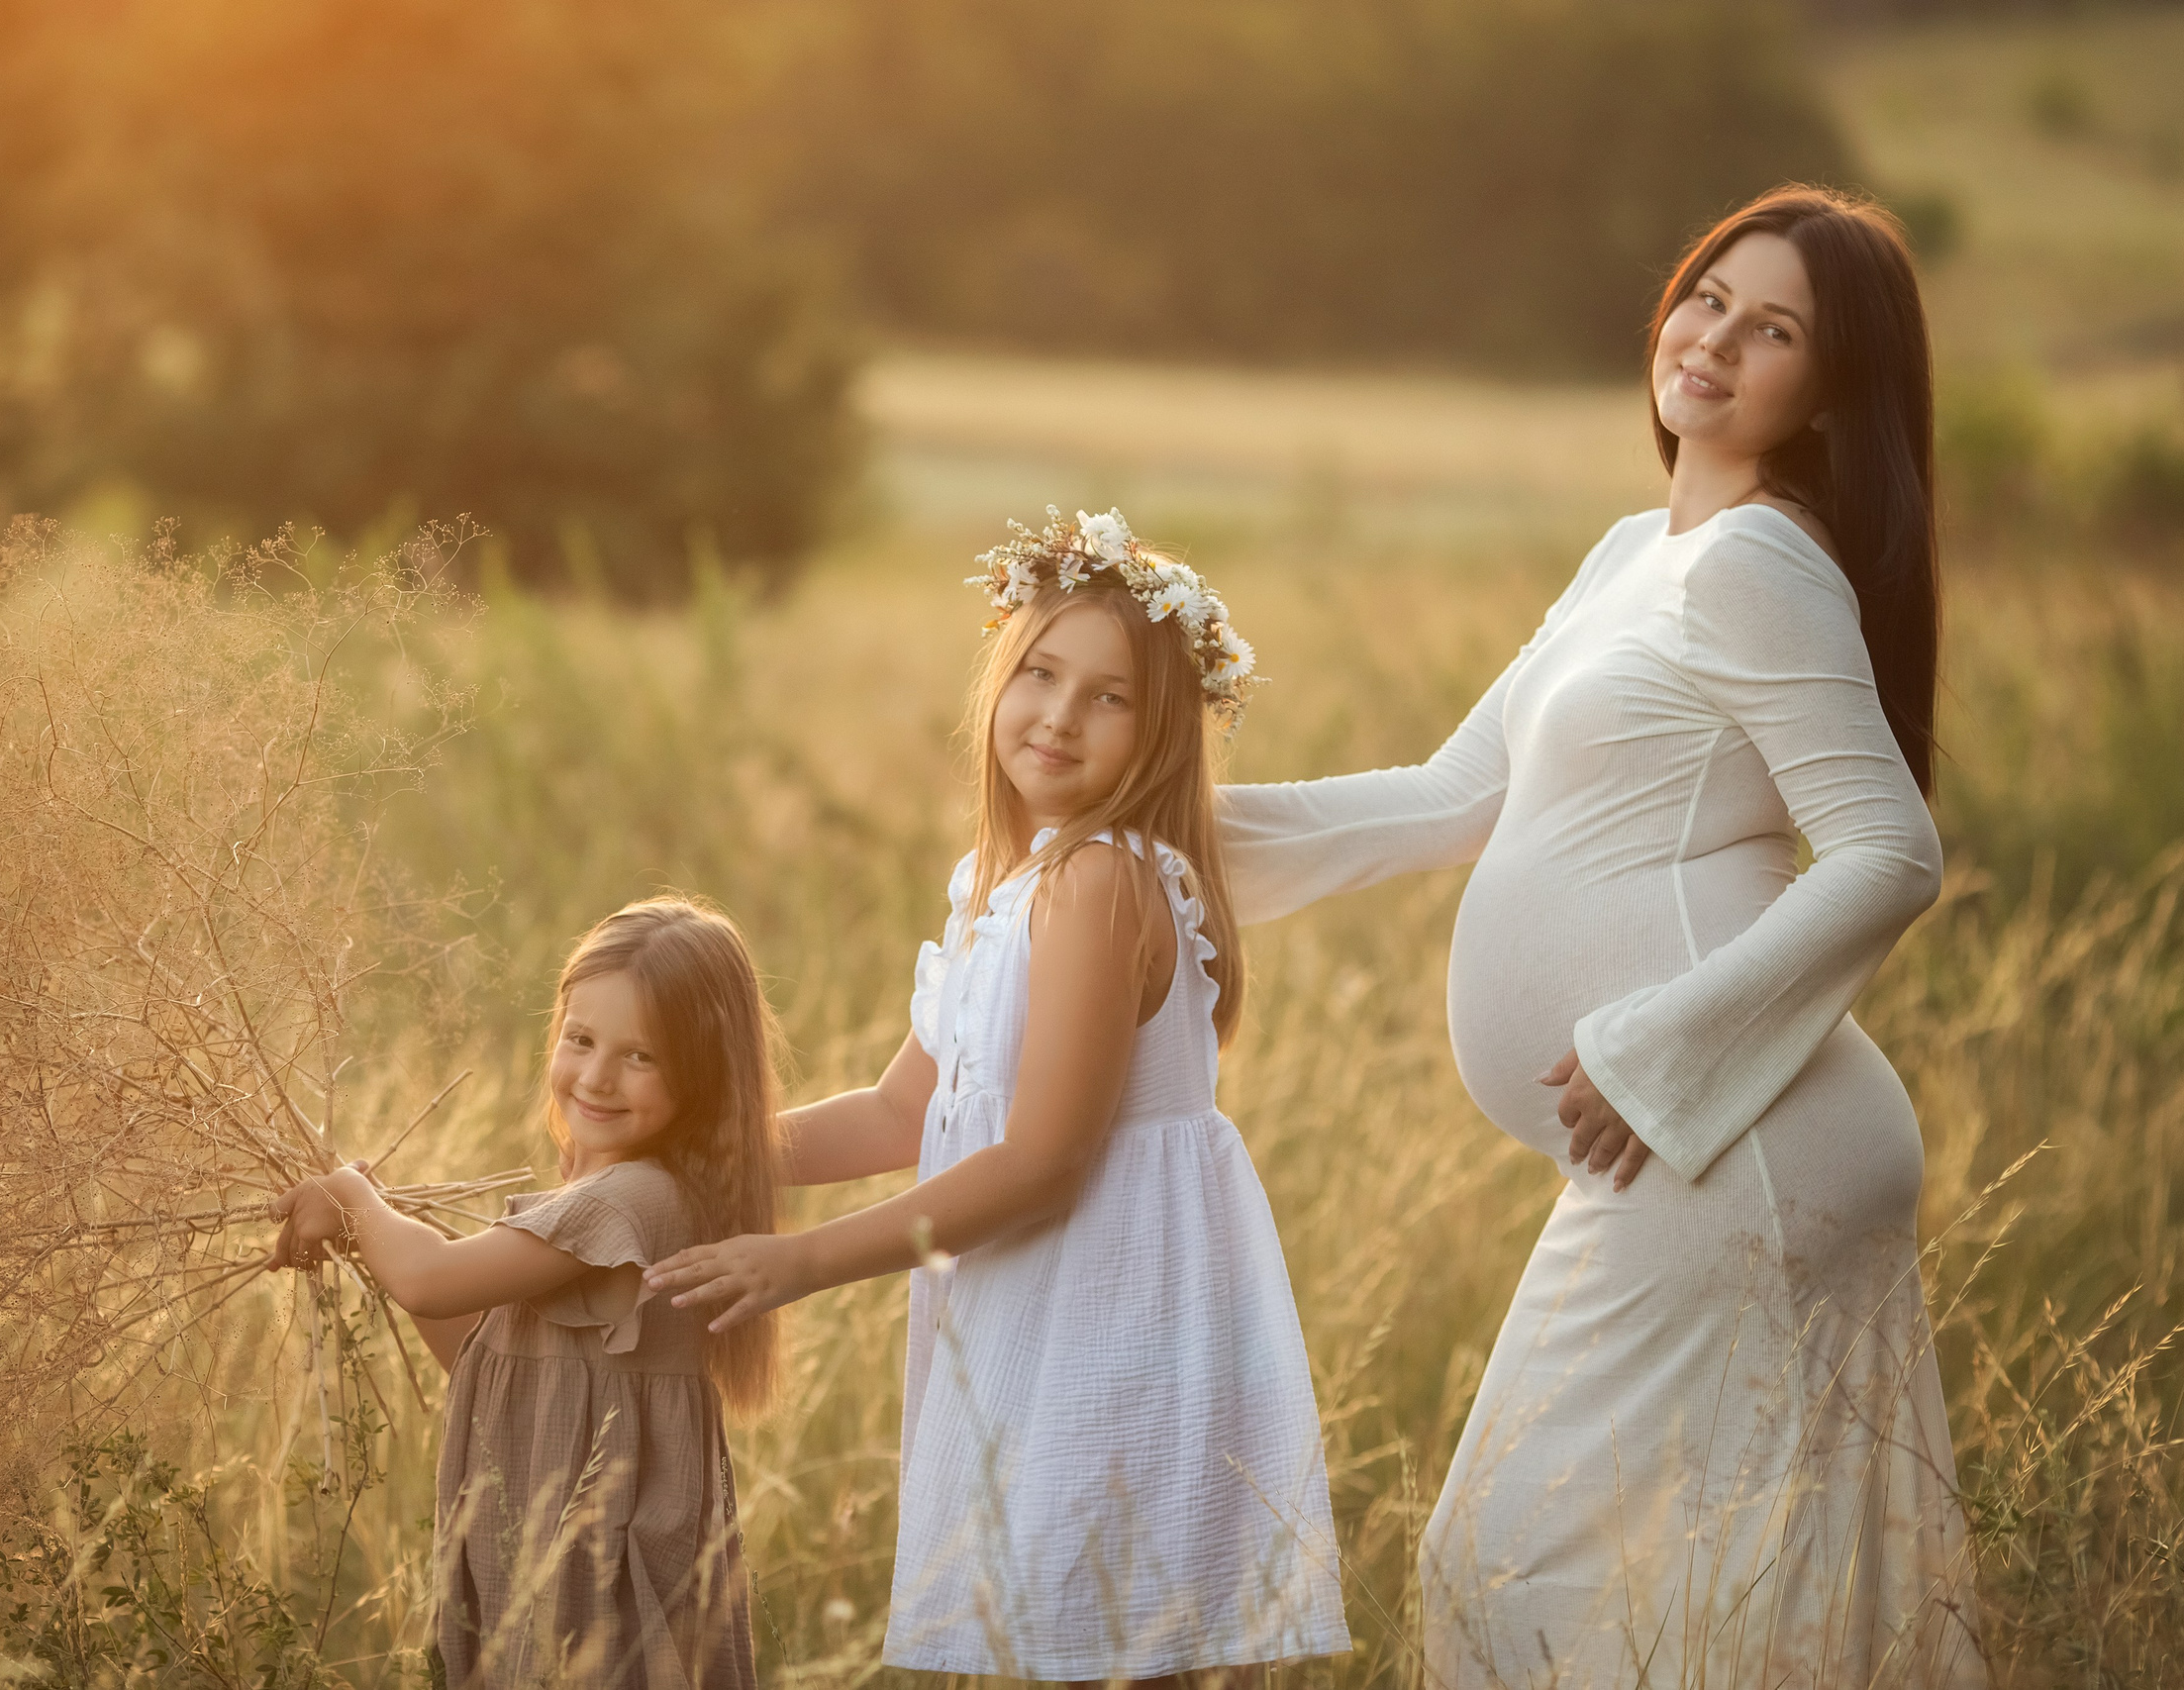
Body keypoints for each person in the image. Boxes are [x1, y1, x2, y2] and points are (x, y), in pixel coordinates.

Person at [1218, 186, 1984, 1685]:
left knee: (1501, 1558)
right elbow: (1453, 796)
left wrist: (1652, 1051)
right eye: (1710, 294)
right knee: (1731, 1597)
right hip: (1711, 1147)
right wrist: (1149, 832)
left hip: (1728, 1145)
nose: (1716, 338)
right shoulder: (1643, 547)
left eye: (1776, 332)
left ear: (1828, 392)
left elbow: (1894, 851)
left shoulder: (1764, 560)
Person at [644, 511, 1350, 1685]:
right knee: (1052, 1636)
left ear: (1162, 729)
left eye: (1110, 697)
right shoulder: (999, 882)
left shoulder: (1099, 884)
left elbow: (1040, 1162)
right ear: (997, 681)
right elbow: (897, 1113)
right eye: (1039, 673)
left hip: (1115, 1314)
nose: (1061, 717)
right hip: (1034, 1302)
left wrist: (800, 1260)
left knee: (1103, 1641)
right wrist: (705, 1155)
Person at [266, 896, 783, 1689]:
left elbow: (431, 1279)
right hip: (545, 1563)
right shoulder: (612, 1195)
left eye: (641, 1056)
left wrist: (355, 1199)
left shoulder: (633, 1201)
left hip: (604, 1579)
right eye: (580, 1039)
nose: (598, 1076)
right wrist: (371, 1235)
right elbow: (481, 1356)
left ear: (705, 1071)